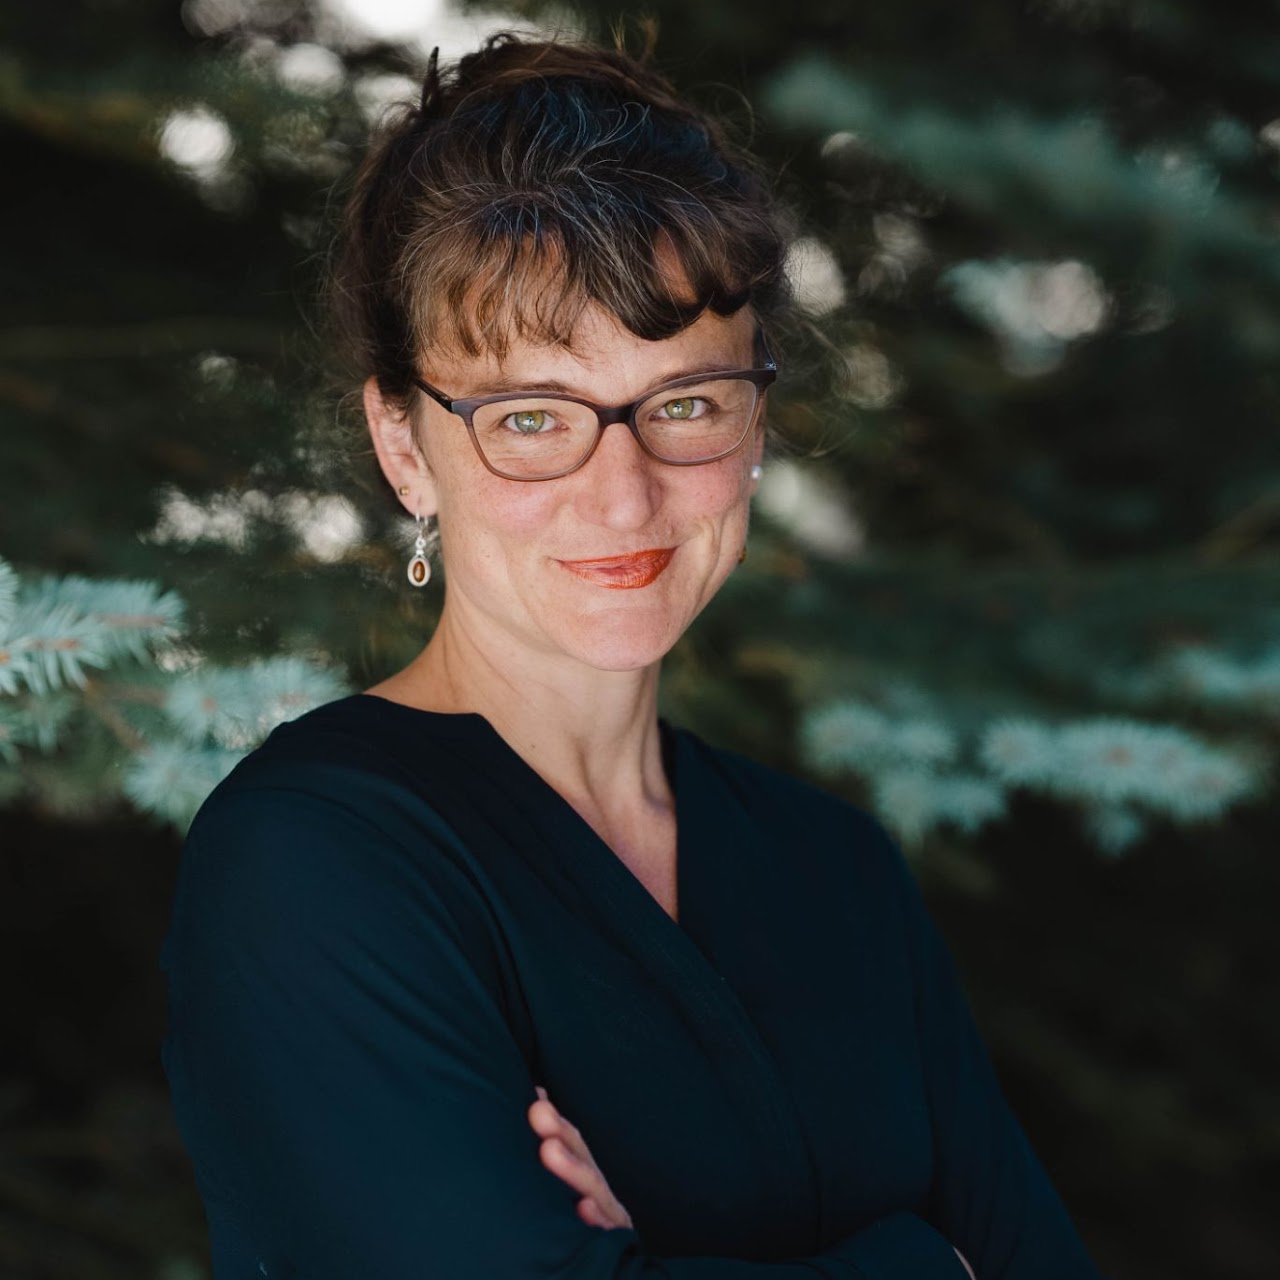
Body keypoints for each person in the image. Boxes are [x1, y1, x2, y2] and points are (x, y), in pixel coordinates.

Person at [159, 28, 1106, 1280]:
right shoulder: (314, 862)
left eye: (684, 404)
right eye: (532, 418)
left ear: (755, 416)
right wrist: (927, 1260)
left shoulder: (834, 871)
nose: (624, 495)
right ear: (403, 446)